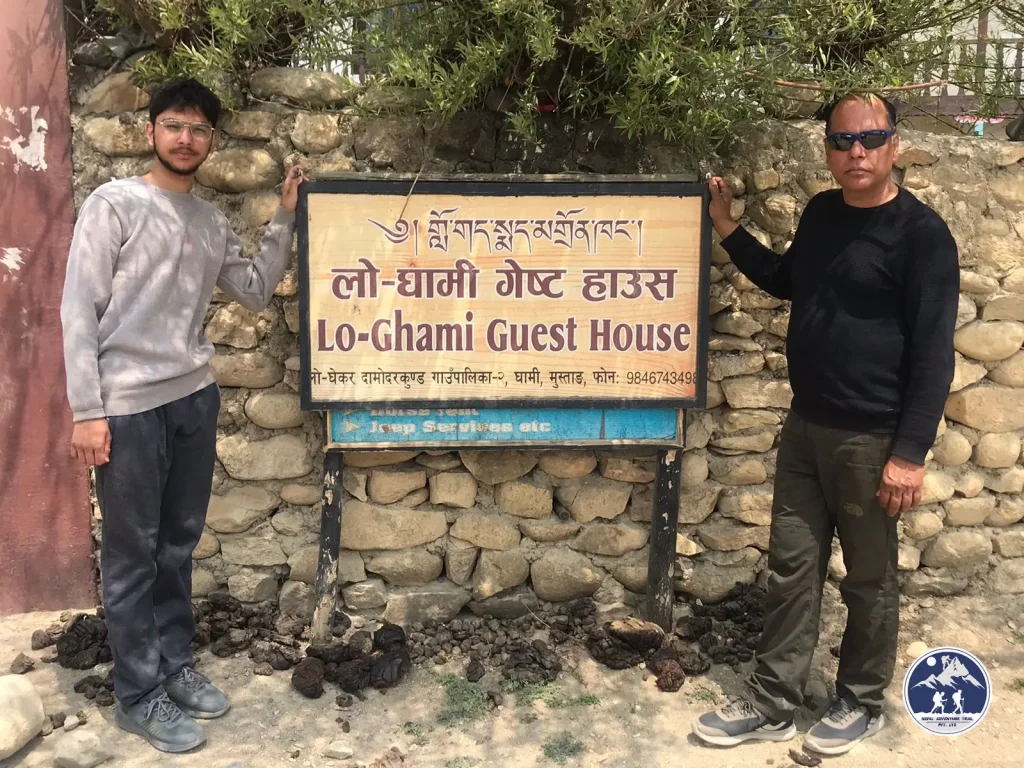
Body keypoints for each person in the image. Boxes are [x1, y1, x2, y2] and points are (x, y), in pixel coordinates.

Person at [692, 92, 959, 755]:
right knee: (790, 570)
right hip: (807, 431)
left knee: (868, 580)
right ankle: (774, 701)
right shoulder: (820, 214)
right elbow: (788, 280)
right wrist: (726, 226)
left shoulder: (921, 236)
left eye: (870, 139)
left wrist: (910, 453)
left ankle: (860, 701)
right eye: (843, 142)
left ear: (895, 145)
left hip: (872, 443)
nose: (856, 152)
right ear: (829, 151)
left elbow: (933, 354)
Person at [60, 78, 306, 753]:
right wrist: (88, 410)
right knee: (132, 555)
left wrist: (285, 214)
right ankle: (138, 694)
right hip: (129, 409)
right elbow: (77, 310)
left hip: (193, 400)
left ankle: (174, 664)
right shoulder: (115, 205)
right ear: (150, 132)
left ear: (211, 142)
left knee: (178, 545)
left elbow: (254, 291)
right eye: (173, 125)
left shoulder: (209, 222)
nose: (185, 138)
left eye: (198, 130)